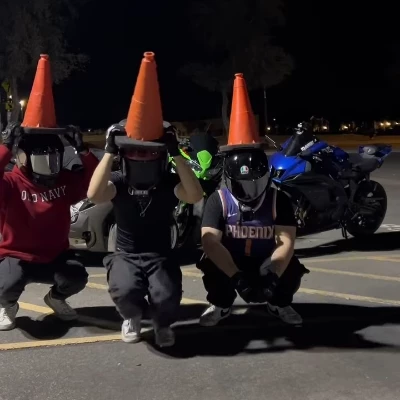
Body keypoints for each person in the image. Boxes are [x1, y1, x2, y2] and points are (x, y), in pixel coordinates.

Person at [87, 52, 203, 347]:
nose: (142, 157)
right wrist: (109, 151)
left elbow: (194, 194)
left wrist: (176, 153)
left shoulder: (167, 183)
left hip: (159, 254)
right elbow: (94, 194)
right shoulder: (119, 181)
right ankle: (132, 317)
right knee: (125, 290)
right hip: (126, 254)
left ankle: (163, 323)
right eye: (135, 152)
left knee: (166, 294)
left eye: (149, 152)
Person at [197, 73, 308, 327]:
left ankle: (279, 303)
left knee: (290, 268)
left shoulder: (277, 199)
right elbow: (210, 243)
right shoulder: (219, 200)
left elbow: (286, 242)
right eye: (242, 183)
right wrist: (236, 277)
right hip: (232, 260)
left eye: (254, 182)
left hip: (265, 259)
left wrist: (273, 275)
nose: (249, 190)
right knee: (211, 265)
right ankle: (221, 304)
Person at [0, 123, 99, 330]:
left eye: (54, 159)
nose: (49, 167)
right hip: (17, 255)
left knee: (76, 277)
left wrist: (83, 151)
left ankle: (56, 298)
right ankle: (7, 304)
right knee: (5, 284)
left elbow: (95, 184)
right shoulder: (11, 183)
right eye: (41, 159)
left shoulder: (64, 181)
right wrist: (6, 147)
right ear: (23, 158)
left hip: (55, 255)